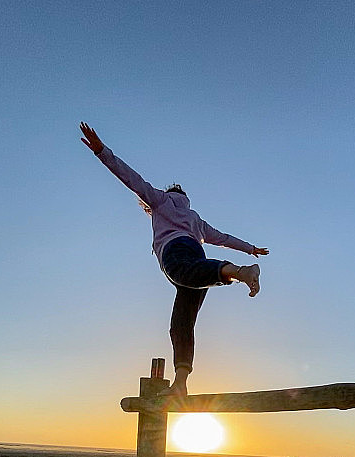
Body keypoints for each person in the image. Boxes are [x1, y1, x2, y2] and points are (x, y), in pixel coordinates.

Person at [79, 122, 269, 397]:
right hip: (198, 260)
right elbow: (224, 238)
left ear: (169, 195)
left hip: (176, 252)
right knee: (181, 323)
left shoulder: (160, 201)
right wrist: (250, 247)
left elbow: (132, 179)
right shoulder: (196, 219)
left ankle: (241, 272)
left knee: (181, 273)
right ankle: (180, 384)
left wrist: (102, 152)